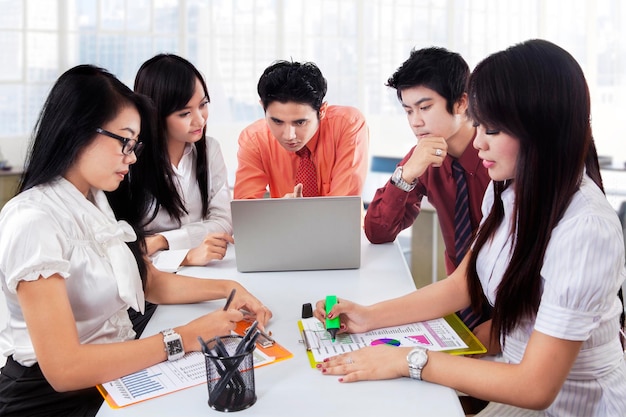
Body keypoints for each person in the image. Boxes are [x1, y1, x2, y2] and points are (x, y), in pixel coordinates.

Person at [315, 39, 626, 416]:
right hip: (508, 375)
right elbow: (464, 283)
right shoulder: (507, 189)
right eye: (479, 126)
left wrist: (408, 360)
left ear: (540, 130)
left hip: (567, 404)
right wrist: (368, 316)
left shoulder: (586, 228)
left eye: (491, 130)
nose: (477, 142)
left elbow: (536, 387)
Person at [0, 65, 271, 417]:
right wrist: (182, 337)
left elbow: (150, 283)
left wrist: (229, 288)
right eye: (124, 142)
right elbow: (65, 370)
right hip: (49, 400)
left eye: (135, 144)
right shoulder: (33, 220)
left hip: (114, 375)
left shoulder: (94, 200)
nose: (132, 156)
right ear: (79, 131)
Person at [364, 47, 493, 349]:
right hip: (457, 306)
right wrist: (406, 175)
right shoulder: (423, 155)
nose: (415, 122)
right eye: (408, 110)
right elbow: (377, 231)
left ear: (461, 102)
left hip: (512, 311)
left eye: (425, 107)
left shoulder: (499, 157)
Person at [129, 54, 234, 269]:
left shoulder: (209, 150)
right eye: (185, 113)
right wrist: (186, 255)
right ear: (155, 114)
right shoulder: (129, 162)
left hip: (208, 267)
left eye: (203, 104)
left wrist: (163, 241)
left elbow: (223, 222)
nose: (200, 119)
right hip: (152, 283)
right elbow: (133, 252)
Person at [233, 60, 369, 199]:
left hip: (340, 221)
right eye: (277, 121)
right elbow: (246, 210)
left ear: (321, 111)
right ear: (263, 108)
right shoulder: (254, 139)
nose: (289, 136)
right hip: (281, 221)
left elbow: (342, 207)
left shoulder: (347, 124)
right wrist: (282, 211)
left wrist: (290, 213)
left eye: (300, 122)